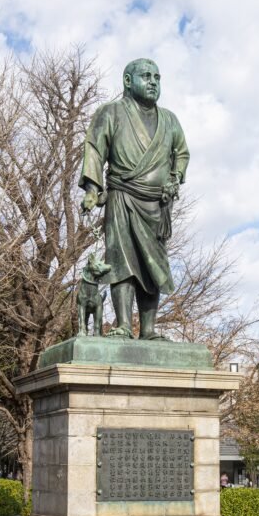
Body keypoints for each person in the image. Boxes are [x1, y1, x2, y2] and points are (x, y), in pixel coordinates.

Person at [80, 58, 190, 340]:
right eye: (146, 76)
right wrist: (93, 189)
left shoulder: (169, 119)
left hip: (157, 203)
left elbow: (182, 152)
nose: (153, 81)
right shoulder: (111, 112)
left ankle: (149, 329)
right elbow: (94, 148)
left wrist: (175, 178)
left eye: (157, 76)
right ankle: (123, 325)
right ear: (128, 81)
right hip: (121, 197)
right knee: (122, 261)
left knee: (152, 265)